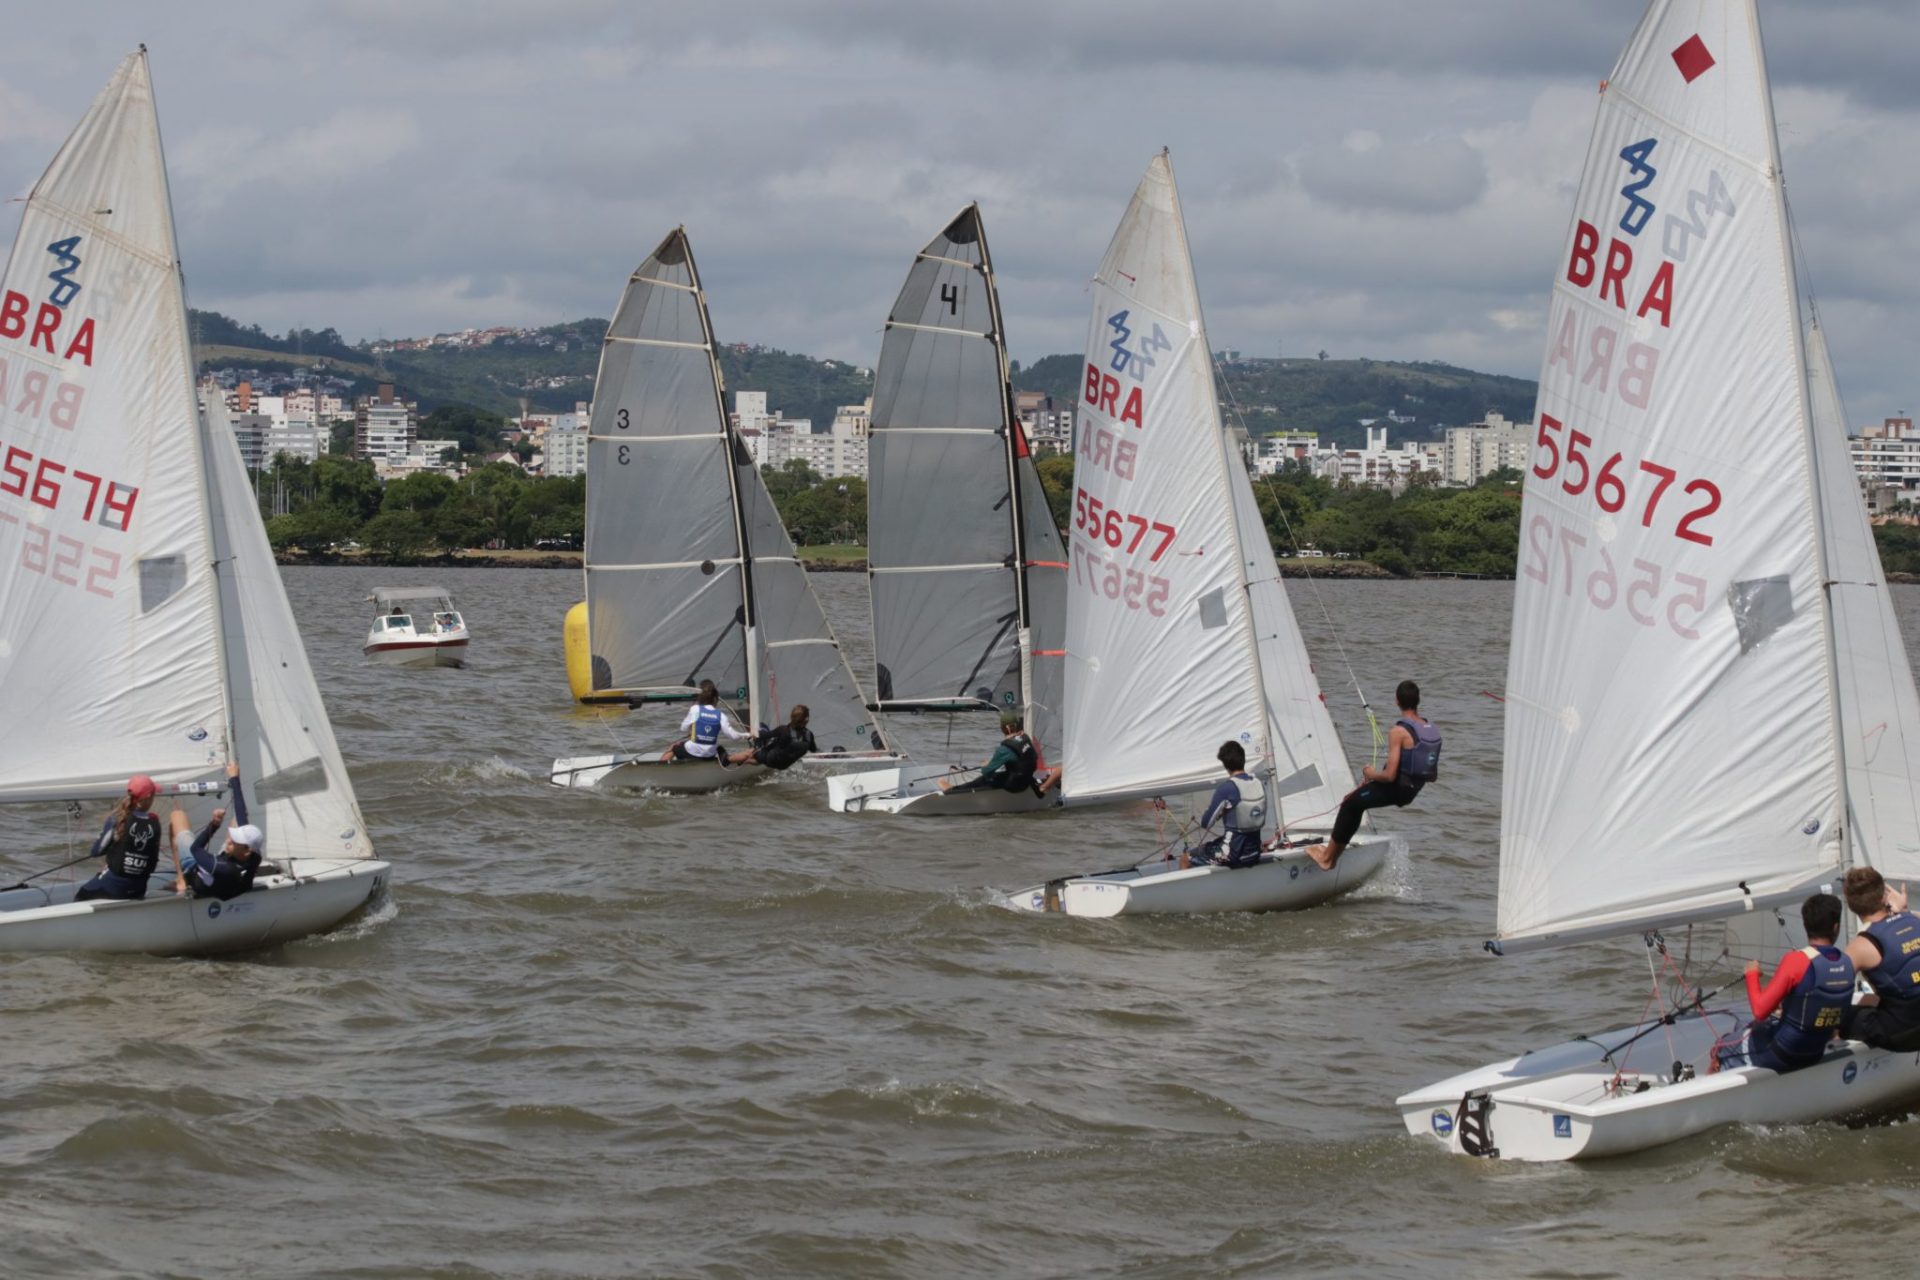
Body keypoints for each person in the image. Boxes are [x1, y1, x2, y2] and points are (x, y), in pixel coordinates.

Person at [1307, 679, 1439, 870]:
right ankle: (1331, 855)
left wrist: (1370, 773)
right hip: (1413, 790)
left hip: (1396, 788)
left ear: (1397, 700)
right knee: (1356, 802)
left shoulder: (1398, 731)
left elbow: (1389, 776)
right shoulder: (1431, 729)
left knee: (1350, 803)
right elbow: (1432, 775)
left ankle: (1327, 859)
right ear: (1418, 700)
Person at [1715, 893, 1854, 1073]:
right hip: (1814, 1052)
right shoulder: (1847, 963)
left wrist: (1752, 975)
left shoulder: (1797, 961)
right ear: (1836, 927)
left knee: (1722, 1046)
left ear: (1805, 925)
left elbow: (1759, 1011)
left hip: (1781, 1053)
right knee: (1743, 1023)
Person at [1840, 867, 1920, 1051]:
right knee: (1872, 999)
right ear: (1884, 896)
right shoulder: (1914, 920)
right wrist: (1904, 910)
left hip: (1905, 1034)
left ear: (1850, 905)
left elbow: (1832, 991)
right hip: (1910, 1019)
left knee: (1842, 1016)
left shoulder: (1859, 947)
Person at [74, 774, 164, 901]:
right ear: (148, 798)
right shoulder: (155, 823)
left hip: (114, 888)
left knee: (81, 895)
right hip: (138, 889)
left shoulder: (117, 819)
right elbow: (152, 858)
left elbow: (96, 852)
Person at [1189, 742, 1265, 869]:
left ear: (1225, 765)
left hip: (1233, 855)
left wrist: (1221, 812)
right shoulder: (1259, 784)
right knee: (1219, 842)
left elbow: (1206, 823)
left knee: (1187, 857)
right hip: (1254, 852)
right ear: (1243, 759)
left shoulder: (1226, 789)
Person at [938, 711, 1041, 794]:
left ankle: (953, 790)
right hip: (1026, 781)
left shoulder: (1004, 749)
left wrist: (985, 765)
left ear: (1003, 728)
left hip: (1015, 786)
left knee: (985, 779)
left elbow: (987, 772)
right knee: (1003, 774)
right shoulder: (1025, 738)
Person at [663, 681, 750, 762]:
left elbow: (683, 728)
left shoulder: (695, 709)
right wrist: (747, 735)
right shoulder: (721, 715)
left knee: (673, 747)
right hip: (709, 755)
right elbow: (734, 736)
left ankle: (661, 768)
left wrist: (692, 730)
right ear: (715, 699)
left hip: (691, 752)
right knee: (718, 747)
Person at [731, 705, 817, 771]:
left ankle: (728, 760)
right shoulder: (809, 735)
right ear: (806, 720)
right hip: (783, 766)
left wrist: (754, 733)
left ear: (792, 717)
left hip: (770, 760)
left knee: (752, 751)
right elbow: (813, 749)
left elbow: (764, 736)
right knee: (763, 757)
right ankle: (744, 761)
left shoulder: (783, 730)